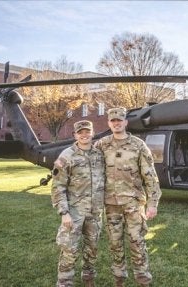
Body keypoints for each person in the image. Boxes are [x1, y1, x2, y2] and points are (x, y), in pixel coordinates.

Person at [95, 107, 162, 287]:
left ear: (125, 122)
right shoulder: (101, 145)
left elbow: (150, 176)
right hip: (111, 205)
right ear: (109, 123)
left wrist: (152, 203)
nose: (116, 123)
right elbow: (87, 165)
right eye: (113, 121)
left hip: (133, 204)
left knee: (137, 243)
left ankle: (143, 281)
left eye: (119, 120)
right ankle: (119, 280)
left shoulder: (138, 145)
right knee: (115, 245)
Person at [51, 120, 105, 287]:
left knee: (92, 248)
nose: (84, 135)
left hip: (95, 212)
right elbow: (57, 187)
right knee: (69, 250)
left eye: (87, 131)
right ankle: (64, 282)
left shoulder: (98, 154)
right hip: (74, 212)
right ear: (75, 135)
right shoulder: (67, 156)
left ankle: (88, 278)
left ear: (92, 133)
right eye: (80, 132)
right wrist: (64, 213)